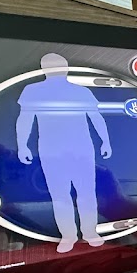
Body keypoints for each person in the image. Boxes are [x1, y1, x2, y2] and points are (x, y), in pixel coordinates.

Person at [16, 53, 112, 253]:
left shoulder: (81, 91)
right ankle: (68, 236)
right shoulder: (33, 91)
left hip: (80, 149)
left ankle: (89, 233)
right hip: (52, 151)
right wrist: (22, 145)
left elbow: (96, 117)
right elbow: (25, 119)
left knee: (84, 193)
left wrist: (106, 141)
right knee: (61, 195)